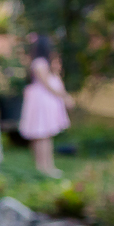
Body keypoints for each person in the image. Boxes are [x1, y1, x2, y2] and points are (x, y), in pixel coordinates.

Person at [19, 35, 74, 177]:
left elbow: (53, 79)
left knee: (44, 135)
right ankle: (44, 167)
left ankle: (45, 166)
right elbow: (47, 84)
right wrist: (64, 96)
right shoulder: (39, 63)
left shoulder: (46, 63)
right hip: (41, 103)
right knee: (43, 135)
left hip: (45, 102)